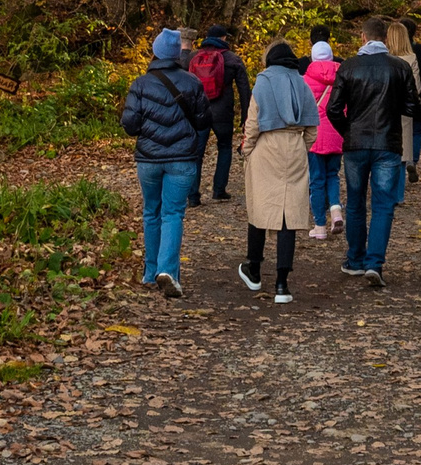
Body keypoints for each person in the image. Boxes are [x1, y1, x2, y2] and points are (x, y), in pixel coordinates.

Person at [121, 27, 212, 298]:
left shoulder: (140, 84)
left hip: (148, 159)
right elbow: (203, 121)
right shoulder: (192, 82)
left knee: (151, 212)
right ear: (176, 54)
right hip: (182, 159)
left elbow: (129, 125)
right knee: (173, 213)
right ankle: (168, 271)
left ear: (156, 52)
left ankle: (151, 273)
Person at [329, 16, 414, 286]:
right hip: (387, 143)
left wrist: (348, 129)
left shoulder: (348, 66)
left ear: (363, 38)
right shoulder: (400, 67)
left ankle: (355, 259)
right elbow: (413, 106)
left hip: (356, 143)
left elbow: (333, 108)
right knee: (383, 204)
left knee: (355, 202)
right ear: (386, 39)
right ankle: (374, 262)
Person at [237, 42, 318, 304]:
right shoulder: (302, 83)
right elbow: (312, 130)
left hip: (266, 147)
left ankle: (254, 268)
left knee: (259, 206)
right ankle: (282, 284)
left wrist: (247, 150)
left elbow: (252, 123)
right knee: (289, 215)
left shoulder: (263, 82)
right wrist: (299, 147)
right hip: (294, 147)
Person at [189, 25, 249, 203]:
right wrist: (246, 115)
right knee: (224, 147)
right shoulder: (232, 59)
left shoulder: (194, 57)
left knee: (197, 152)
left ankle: (193, 195)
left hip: (199, 111)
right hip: (223, 112)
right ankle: (219, 189)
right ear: (223, 38)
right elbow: (244, 89)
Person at [304, 41, 344, 240]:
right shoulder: (343, 76)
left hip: (315, 137)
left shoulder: (305, 79)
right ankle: (336, 210)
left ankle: (320, 225)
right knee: (333, 175)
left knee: (317, 181)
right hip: (337, 133)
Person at [385, 20, 421, 194]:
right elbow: (416, 88)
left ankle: (386, 191)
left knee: (386, 152)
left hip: (384, 109)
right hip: (403, 111)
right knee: (403, 153)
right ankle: (398, 193)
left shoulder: (383, 58)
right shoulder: (411, 58)